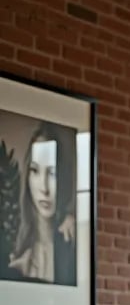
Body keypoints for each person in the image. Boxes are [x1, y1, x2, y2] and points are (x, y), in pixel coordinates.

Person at [6, 120, 76, 285]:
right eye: (35, 171)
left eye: (52, 173)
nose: (44, 187)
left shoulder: (71, 244)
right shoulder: (17, 256)